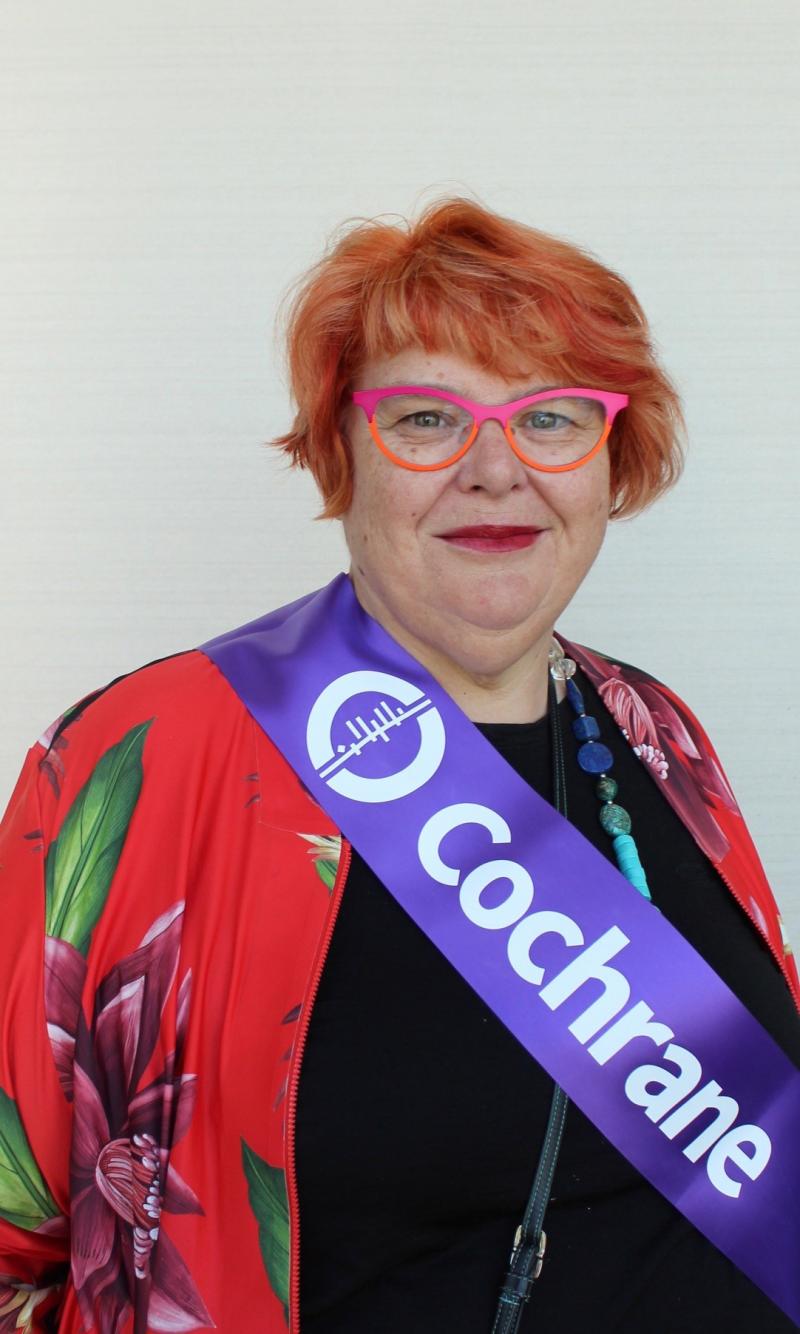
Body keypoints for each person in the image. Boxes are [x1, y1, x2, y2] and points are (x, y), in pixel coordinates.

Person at [0, 197, 797, 1334]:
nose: (494, 469)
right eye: (424, 419)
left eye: (553, 417)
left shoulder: (653, 732)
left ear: (611, 455)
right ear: (339, 450)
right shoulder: (142, 760)